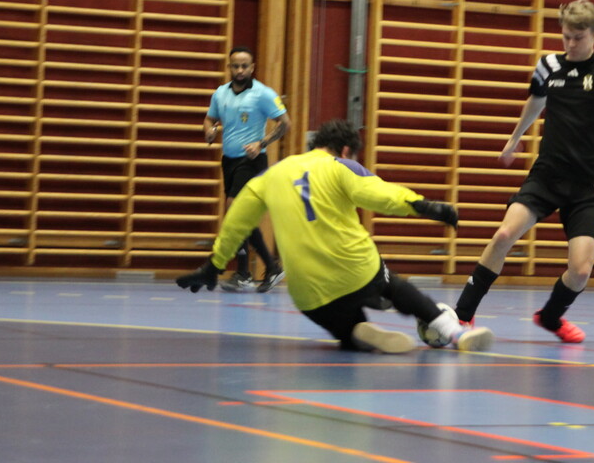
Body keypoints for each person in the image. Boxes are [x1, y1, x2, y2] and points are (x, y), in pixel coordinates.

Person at [453, 0, 594, 343]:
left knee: (581, 270)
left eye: (578, 38)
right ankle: (462, 314)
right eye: (566, 36)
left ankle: (550, 317)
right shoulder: (548, 65)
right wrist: (515, 138)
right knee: (504, 235)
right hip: (546, 177)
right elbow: (536, 100)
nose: (571, 44)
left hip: (586, 187)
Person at [177, 119, 495, 354]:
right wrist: (424, 206)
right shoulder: (340, 166)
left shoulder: (269, 175)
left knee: (340, 322)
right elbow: (380, 194)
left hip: (309, 293)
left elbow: (236, 221)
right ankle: (452, 331)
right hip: (355, 269)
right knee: (395, 287)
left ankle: (356, 333)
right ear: (345, 150)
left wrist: (214, 266)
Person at [204, 45, 290, 293]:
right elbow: (210, 118)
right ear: (229, 67)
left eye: (244, 66)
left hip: (252, 161)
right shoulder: (220, 93)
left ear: (252, 68)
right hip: (229, 161)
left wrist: (261, 143)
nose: (240, 70)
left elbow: (285, 123)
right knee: (241, 217)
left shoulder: (263, 94)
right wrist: (209, 130)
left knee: (235, 209)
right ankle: (264, 269)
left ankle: (249, 271)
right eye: (235, 66)